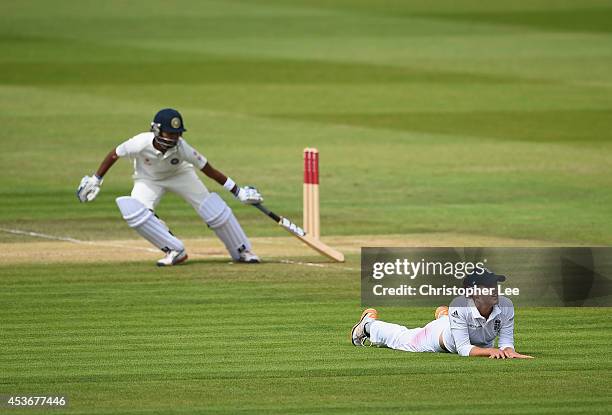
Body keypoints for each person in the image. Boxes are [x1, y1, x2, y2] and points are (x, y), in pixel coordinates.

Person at [76, 108, 262, 266]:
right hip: (148, 180)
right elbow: (114, 154)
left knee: (212, 208)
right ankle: (175, 251)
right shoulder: (140, 142)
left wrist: (239, 192)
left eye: (178, 133)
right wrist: (96, 179)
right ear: (157, 130)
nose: (175, 137)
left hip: (181, 175)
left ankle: (242, 251)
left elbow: (209, 170)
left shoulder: (182, 148)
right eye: (170, 133)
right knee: (137, 213)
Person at [351, 270, 533, 359]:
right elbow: (462, 349)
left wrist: (509, 351)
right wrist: (490, 351)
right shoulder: (460, 306)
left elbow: (506, 342)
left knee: (451, 320)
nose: (494, 290)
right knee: (401, 338)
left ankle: (444, 316)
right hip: (436, 339)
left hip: (456, 325)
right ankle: (367, 325)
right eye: (488, 287)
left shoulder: (506, 305)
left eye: (495, 285)